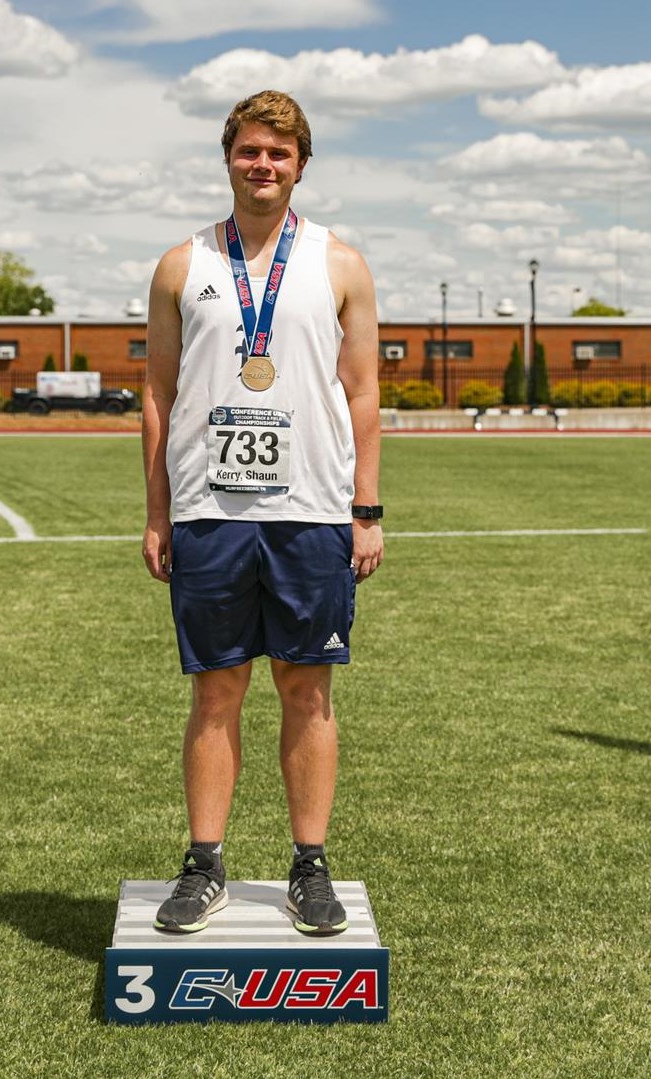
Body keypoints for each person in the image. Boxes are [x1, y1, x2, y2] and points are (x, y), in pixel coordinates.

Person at [139, 90, 382, 937]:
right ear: (229, 158)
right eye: (248, 151)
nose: (263, 165)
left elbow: (361, 392)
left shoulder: (340, 263)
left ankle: (308, 866)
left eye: (278, 154)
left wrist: (367, 508)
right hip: (209, 509)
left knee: (306, 689)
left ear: (301, 164)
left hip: (312, 509)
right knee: (217, 690)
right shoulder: (181, 264)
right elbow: (158, 394)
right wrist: (157, 511)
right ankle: (204, 863)